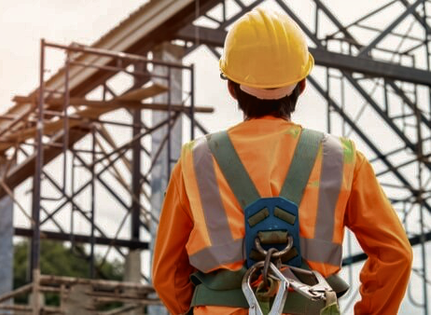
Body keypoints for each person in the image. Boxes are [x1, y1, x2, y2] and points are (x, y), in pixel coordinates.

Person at [152, 7, 413, 315]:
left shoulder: (195, 162)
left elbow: (166, 273)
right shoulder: (342, 159)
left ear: (231, 88)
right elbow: (396, 255)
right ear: (302, 85)